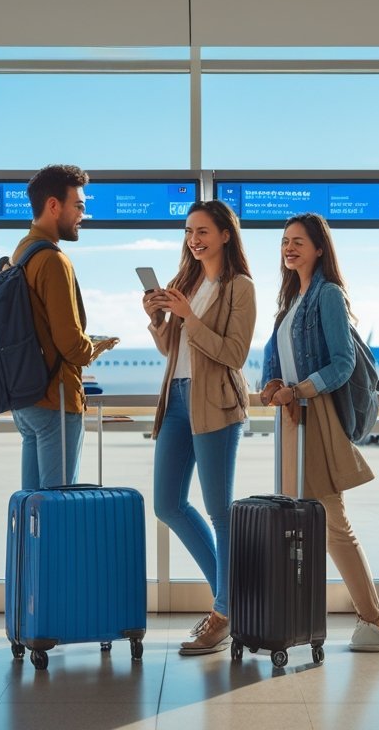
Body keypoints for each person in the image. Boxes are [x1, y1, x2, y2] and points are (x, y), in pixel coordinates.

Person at [259, 213, 379, 652]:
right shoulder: (289, 303)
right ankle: (294, 620)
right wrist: (273, 385)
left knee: (333, 523)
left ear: (319, 248)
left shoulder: (327, 295)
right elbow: (277, 363)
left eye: (298, 241)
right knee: (298, 524)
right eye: (284, 242)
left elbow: (342, 362)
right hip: (291, 421)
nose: (289, 248)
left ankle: (373, 622)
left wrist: (299, 389)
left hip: (316, 418)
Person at [143, 200, 256, 656]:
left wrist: (189, 315)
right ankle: (232, 600)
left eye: (204, 231)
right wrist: (157, 318)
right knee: (167, 503)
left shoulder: (239, 287)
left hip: (217, 403)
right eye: (189, 231)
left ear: (226, 234)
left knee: (219, 510)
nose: (194, 238)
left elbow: (233, 354)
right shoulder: (185, 282)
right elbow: (172, 346)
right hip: (177, 400)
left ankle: (225, 612)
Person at [12, 164, 117, 490]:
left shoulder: (23, 251)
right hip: (55, 399)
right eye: (79, 206)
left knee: (32, 505)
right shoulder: (53, 260)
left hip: (26, 399)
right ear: (54, 205)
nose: (83, 215)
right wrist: (96, 345)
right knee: (58, 507)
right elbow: (71, 345)